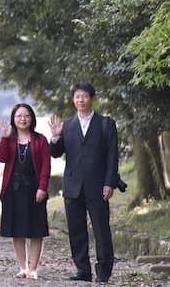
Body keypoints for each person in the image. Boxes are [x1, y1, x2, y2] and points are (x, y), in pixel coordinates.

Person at [49, 83, 119, 283]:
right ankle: (83, 270)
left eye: (84, 96)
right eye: (77, 97)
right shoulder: (67, 124)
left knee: (101, 229)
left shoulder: (106, 124)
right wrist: (55, 137)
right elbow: (56, 153)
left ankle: (104, 271)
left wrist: (109, 183)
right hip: (72, 186)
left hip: (98, 186)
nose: (81, 100)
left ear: (92, 99)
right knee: (76, 230)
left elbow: (112, 156)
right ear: (73, 100)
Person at [0, 103, 50, 280]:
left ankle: (33, 269)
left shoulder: (40, 140)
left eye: (26, 115)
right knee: (17, 230)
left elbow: (45, 166)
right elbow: (2, 157)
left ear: (32, 118)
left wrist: (42, 187)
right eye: (19, 116)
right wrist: (4, 138)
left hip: (35, 188)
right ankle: (22, 267)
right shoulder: (9, 138)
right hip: (13, 189)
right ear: (13, 119)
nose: (23, 119)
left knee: (36, 230)